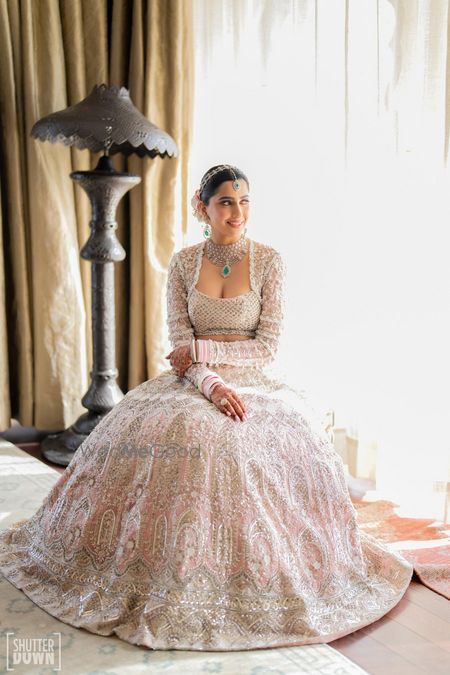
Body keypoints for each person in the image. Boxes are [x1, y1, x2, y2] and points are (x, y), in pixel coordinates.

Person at [0, 164, 413, 651]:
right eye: (225, 202)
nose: (237, 212)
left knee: (228, 438)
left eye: (244, 202)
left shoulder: (269, 262)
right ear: (203, 207)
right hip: (194, 380)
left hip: (255, 380)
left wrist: (204, 354)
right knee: (166, 427)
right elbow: (179, 344)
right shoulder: (183, 263)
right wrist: (209, 380)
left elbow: (266, 348)